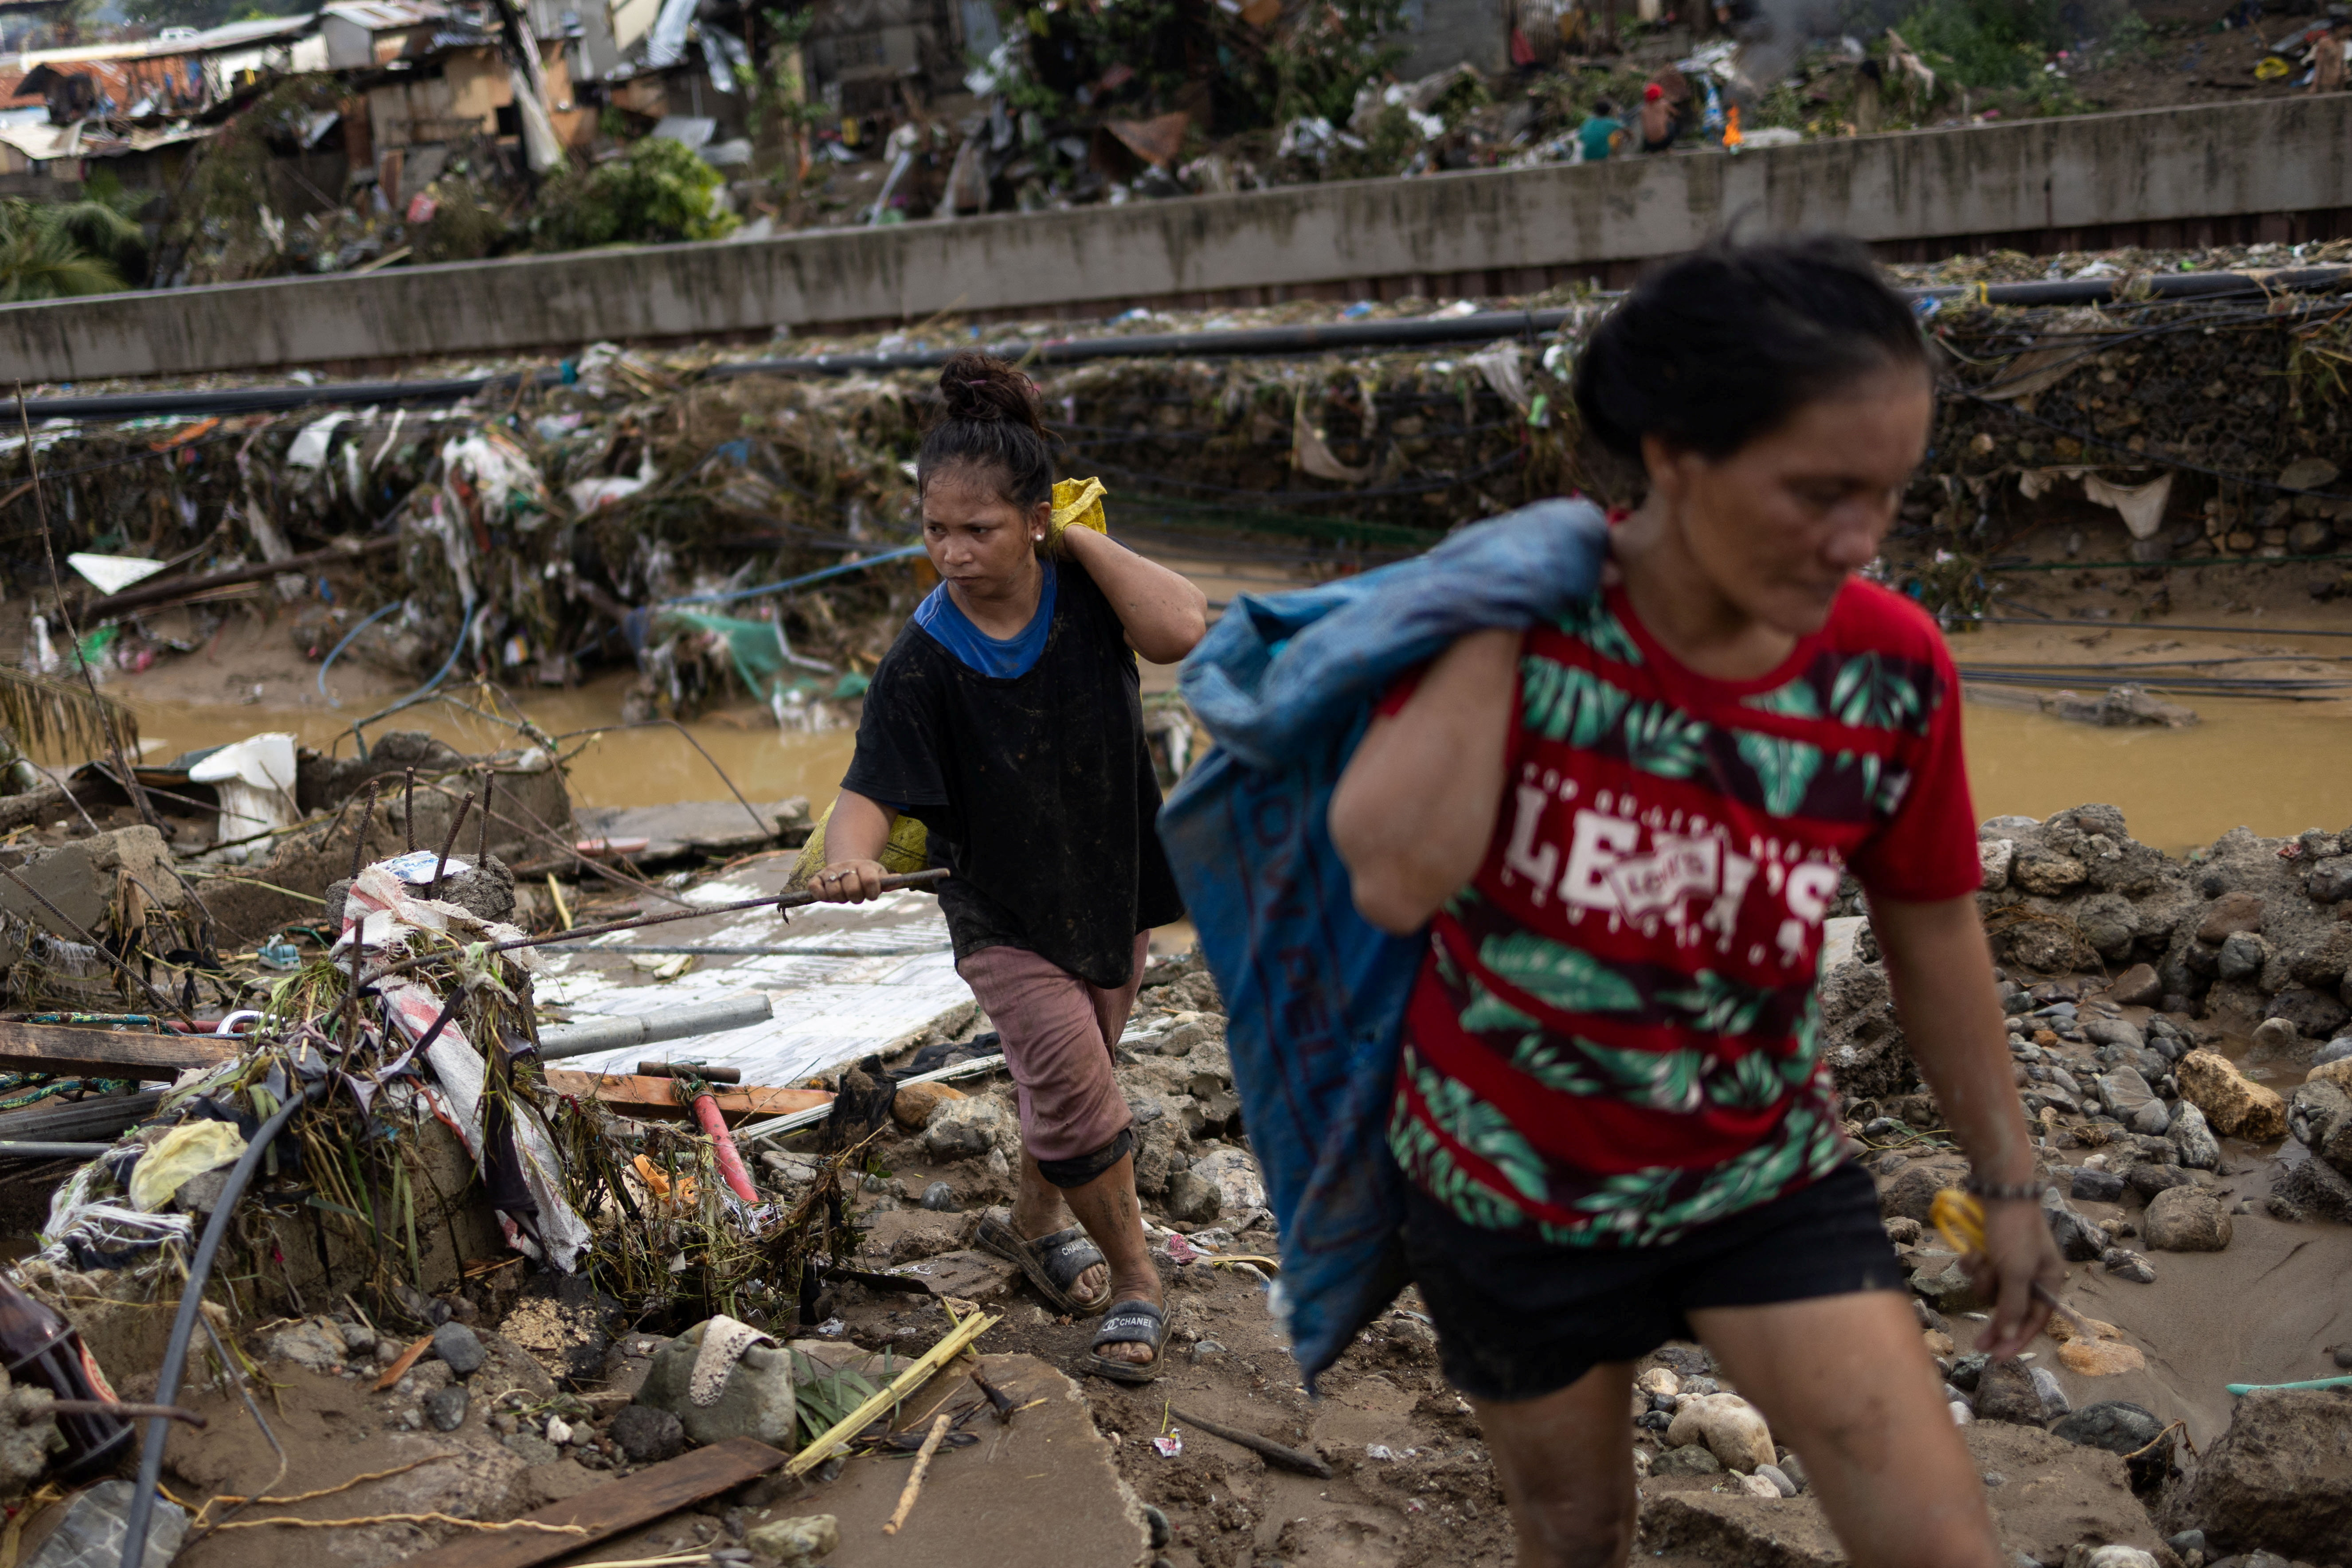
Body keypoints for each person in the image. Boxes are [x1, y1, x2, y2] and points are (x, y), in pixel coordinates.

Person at [1325, 237, 2064, 1568]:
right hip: (1506, 1193)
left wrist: (2007, 1178)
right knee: (1573, 1533)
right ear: (1672, 453)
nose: (1857, 542)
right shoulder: (1520, 623)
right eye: (1817, 493)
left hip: (1757, 1170)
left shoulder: (1889, 671)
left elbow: (1933, 922)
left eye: (1885, 496)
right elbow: (1390, 877)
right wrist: (1499, 607)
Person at [810, 353, 1207, 1383]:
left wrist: (1079, 538)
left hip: (1111, 882)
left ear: (1034, 519)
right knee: (1076, 1088)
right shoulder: (922, 660)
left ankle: (1033, 1227)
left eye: (977, 529)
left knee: (1082, 1067)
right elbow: (866, 798)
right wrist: (849, 865)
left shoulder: (1087, 592)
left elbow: (1179, 628)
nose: (949, 552)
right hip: (998, 908)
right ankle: (1135, 1281)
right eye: (934, 530)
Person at [1637, 80, 1682, 152]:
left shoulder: (1643, 110)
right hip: (1664, 141)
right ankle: (1667, 148)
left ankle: (1652, 151)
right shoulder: (1663, 104)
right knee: (1672, 121)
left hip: (1650, 144)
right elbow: (1677, 114)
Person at [1577, 99, 1624, 163]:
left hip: (1586, 156)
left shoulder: (1588, 122)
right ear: (1609, 112)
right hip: (1602, 156)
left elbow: (1580, 137)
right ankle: (1616, 156)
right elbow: (1626, 130)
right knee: (1619, 134)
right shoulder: (1609, 122)